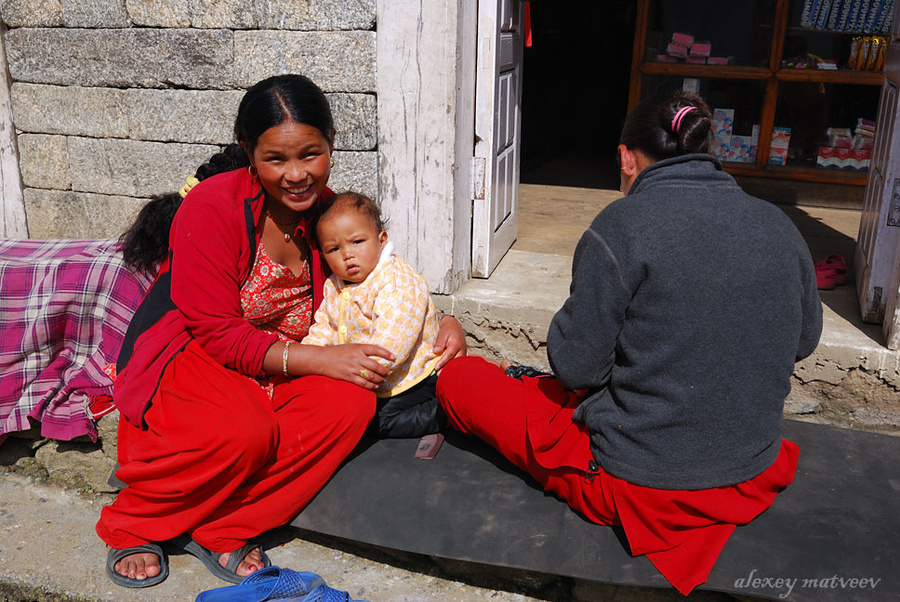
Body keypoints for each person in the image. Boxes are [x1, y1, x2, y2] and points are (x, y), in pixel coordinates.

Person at [436, 90, 822, 595]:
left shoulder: (620, 227)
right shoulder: (778, 223)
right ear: (709, 150)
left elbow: (577, 370)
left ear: (625, 157)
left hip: (642, 485)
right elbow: (805, 341)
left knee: (461, 379)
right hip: (752, 467)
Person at [97, 74, 466, 588]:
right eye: (276, 159)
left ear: (331, 143)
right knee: (242, 430)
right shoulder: (211, 208)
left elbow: (383, 271)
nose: (296, 175)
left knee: (352, 405)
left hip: (283, 361)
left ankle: (222, 526)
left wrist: (441, 318)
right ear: (249, 151)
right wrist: (320, 361)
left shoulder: (330, 212)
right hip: (195, 353)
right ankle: (136, 519)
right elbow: (219, 335)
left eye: (310, 155)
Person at [302, 192, 446, 438]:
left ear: (381, 240)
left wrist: (360, 373)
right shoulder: (335, 284)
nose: (347, 254)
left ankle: (445, 413)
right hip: (364, 378)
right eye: (334, 249)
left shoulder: (396, 280)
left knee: (377, 423)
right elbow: (324, 326)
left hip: (409, 378)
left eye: (357, 242)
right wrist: (312, 359)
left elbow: (393, 341)